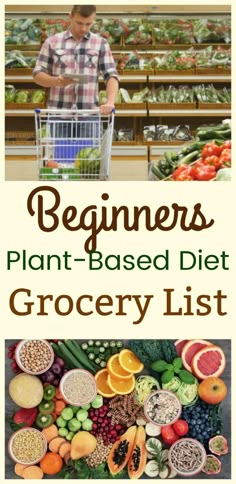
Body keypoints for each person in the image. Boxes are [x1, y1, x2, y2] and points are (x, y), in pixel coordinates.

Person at [33, 5, 119, 114]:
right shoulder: (52, 42)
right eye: (79, 23)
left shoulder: (101, 43)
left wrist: (110, 102)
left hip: (89, 115)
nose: (83, 28)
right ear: (70, 16)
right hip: (58, 115)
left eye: (88, 24)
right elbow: (37, 75)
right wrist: (58, 81)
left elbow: (111, 75)